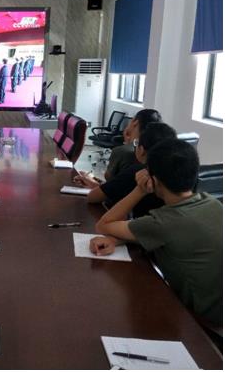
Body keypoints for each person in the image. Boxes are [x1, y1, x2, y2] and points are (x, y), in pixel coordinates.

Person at [90, 139, 222, 326]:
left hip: (205, 322)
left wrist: (139, 190)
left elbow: (104, 224)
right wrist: (119, 239)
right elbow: (173, 236)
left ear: (154, 181)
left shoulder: (164, 221)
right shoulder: (212, 203)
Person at [76, 122, 177, 218]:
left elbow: (93, 197)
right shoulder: (176, 172)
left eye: (136, 143)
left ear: (142, 150)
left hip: (141, 227)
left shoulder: (139, 172)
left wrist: (92, 184)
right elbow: (114, 188)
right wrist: (94, 183)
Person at [105, 109, 162, 181]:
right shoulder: (159, 151)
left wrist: (127, 144)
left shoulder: (121, 151)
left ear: (135, 122)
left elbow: (108, 178)